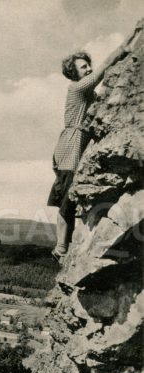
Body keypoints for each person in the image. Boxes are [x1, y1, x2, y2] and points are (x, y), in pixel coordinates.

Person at [47, 24, 143, 264]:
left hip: (75, 146)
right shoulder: (77, 89)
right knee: (67, 201)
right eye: (83, 67)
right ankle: (60, 248)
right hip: (70, 147)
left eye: (87, 64)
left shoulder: (89, 95)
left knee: (72, 199)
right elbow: (103, 69)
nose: (88, 68)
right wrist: (130, 40)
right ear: (74, 73)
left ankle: (64, 248)